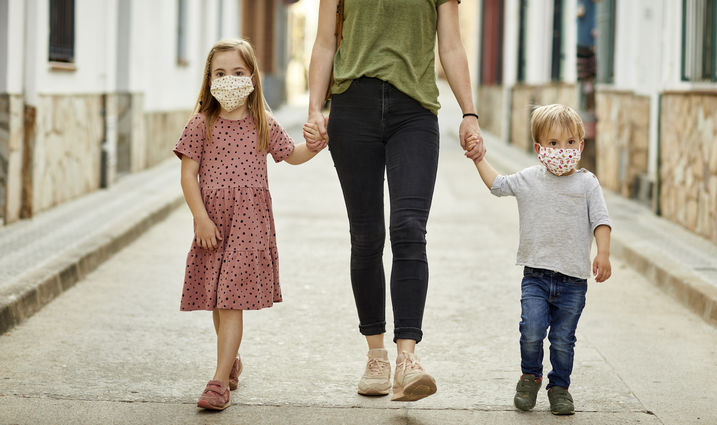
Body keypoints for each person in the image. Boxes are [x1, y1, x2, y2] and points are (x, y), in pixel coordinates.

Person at [303, 0, 485, 402]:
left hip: (415, 112)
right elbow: (325, 41)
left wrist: (469, 112)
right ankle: (376, 356)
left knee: (408, 228)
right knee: (366, 237)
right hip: (352, 108)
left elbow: (451, 45)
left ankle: (407, 360)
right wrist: (315, 108)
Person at [173, 38, 322, 411]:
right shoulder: (200, 124)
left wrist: (316, 145)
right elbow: (188, 176)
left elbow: (291, 156)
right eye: (220, 73)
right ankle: (231, 359)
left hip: (249, 228)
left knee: (231, 301)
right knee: (217, 302)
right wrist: (200, 219)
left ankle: (219, 381)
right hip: (213, 226)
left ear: (252, 77)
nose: (229, 80)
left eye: (238, 73)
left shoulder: (263, 123)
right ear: (209, 80)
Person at [465, 104, 612, 415]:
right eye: (554, 144)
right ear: (539, 147)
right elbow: (497, 185)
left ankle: (560, 387)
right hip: (536, 276)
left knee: (562, 339)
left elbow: (601, 220)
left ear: (581, 145)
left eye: (571, 143)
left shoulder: (588, 184)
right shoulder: (529, 179)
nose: (563, 150)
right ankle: (530, 377)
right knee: (531, 331)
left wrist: (603, 252)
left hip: (573, 280)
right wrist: (480, 159)